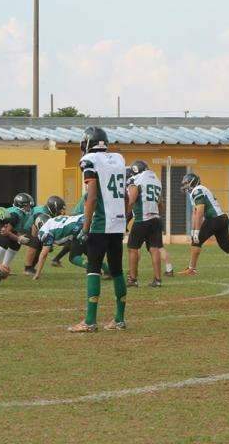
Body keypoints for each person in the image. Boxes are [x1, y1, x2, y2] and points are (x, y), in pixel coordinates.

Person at [69, 126, 128, 332]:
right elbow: (126, 195)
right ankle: (119, 319)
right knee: (117, 270)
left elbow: (91, 197)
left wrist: (85, 227)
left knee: (93, 269)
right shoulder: (118, 159)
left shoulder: (90, 162)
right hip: (118, 222)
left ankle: (90, 321)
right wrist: (125, 217)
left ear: (86, 144)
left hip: (100, 222)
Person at [178, 173, 229, 276]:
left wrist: (196, 231)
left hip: (214, 219)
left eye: (187, 183)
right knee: (226, 246)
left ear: (193, 182)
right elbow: (195, 212)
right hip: (222, 218)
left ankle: (192, 269)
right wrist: (193, 230)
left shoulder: (197, 190)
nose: (185, 185)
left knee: (196, 241)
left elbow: (200, 211)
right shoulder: (198, 190)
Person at [33, 213, 111, 280]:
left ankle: (93, 269)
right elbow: (70, 242)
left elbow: (44, 254)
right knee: (89, 253)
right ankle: (108, 271)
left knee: (74, 257)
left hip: (80, 226)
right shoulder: (53, 222)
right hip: (86, 219)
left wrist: (37, 273)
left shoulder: (44, 230)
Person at [125, 160, 165, 288]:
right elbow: (161, 204)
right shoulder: (156, 180)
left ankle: (132, 279)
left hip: (142, 219)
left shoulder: (136, 179)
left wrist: (125, 216)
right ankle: (158, 280)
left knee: (132, 249)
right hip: (156, 218)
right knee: (154, 249)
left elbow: (131, 200)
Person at [23, 195, 67, 275]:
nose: (61, 211)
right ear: (54, 207)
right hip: (29, 228)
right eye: (60, 209)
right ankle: (27, 268)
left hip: (37, 228)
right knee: (34, 243)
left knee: (40, 247)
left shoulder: (49, 212)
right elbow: (38, 227)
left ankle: (31, 267)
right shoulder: (42, 213)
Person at [0, 193, 34, 268]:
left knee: (16, 244)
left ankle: (5, 267)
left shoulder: (20, 213)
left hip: (0, 231)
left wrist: (18, 237)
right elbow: (5, 232)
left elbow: (13, 230)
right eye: (27, 205)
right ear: (21, 206)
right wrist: (19, 238)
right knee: (5, 241)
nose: (29, 207)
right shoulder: (15, 215)